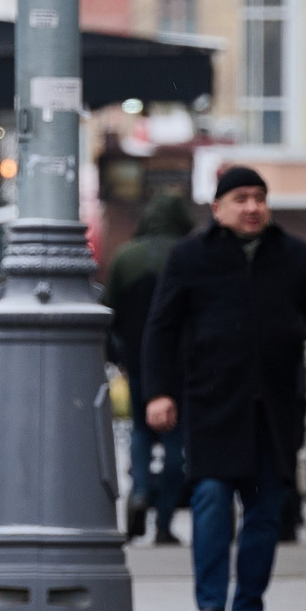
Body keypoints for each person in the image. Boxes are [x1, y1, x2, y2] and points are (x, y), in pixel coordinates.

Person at [142, 167, 306, 611]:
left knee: (265, 510)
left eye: (259, 197)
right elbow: (161, 328)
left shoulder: (293, 255)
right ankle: (211, 606)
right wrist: (158, 392)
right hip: (212, 403)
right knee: (211, 500)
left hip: (273, 408)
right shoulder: (189, 257)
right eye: (240, 198)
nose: (252, 207)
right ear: (217, 209)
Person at [104, 191, 195, 545]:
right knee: (176, 438)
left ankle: (141, 489)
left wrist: (119, 355)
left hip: (139, 361)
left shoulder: (126, 256)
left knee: (141, 430)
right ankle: (165, 522)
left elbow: (110, 312)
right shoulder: (188, 254)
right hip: (184, 364)